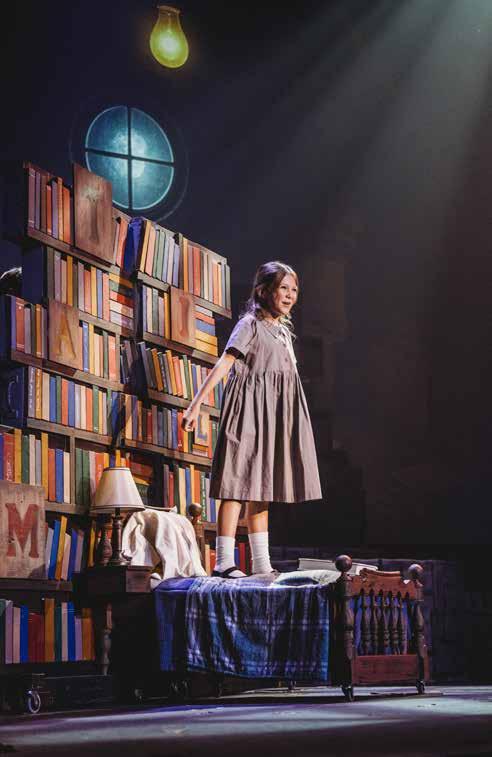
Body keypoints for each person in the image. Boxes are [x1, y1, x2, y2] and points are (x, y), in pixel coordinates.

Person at [181, 261, 322, 578]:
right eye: (283, 288)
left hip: (272, 416)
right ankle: (224, 561)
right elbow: (225, 363)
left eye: (294, 289)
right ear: (264, 290)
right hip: (247, 411)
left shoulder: (283, 332)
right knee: (236, 484)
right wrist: (196, 405)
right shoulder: (250, 324)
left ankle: (261, 563)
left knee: (262, 487)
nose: (289, 295)